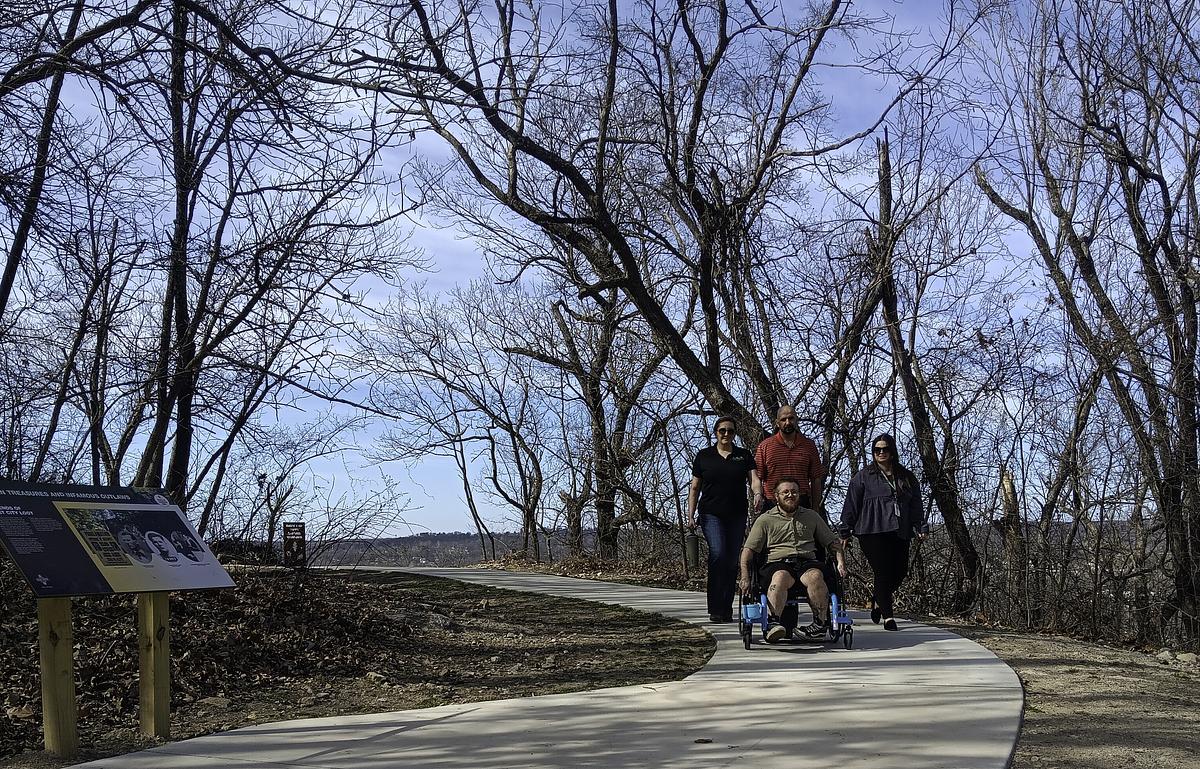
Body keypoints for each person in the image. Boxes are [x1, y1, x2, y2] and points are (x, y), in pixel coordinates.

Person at [838, 433, 929, 631]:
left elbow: (915, 504)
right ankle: (888, 617)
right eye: (876, 450)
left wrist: (920, 525)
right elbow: (851, 504)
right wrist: (845, 530)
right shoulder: (863, 476)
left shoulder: (906, 476)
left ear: (892, 451)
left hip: (900, 529)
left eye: (885, 449)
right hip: (871, 530)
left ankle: (879, 598)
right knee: (882, 571)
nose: (880, 453)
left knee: (900, 570)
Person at [737, 478, 846, 642]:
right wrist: (745, 576)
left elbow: (833, 543)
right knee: (780, 576)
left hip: (806, 561)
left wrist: (841, 563)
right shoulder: (765, 519)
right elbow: (748, 551)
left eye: (794, 492)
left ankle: (820, 623)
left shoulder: (811, 516)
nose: (790, 495)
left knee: (816, 576)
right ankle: (773, 623)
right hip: (777, 563)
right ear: (776, 496)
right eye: (785, 492)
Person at [688, 416, 762, 623]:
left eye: (730, 431)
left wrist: (758, 494)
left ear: (734, 433)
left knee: (731, 561)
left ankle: (726, 608)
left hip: (736, 513)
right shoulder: (704, 456)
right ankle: (715, 607)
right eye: (722, 431)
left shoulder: (743, 455)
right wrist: (690, 515)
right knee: (718, 553)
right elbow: (695, 487)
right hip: (710, 513)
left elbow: (754, 479)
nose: (726, 434)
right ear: (716, 433)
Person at [754, 405, 824, 513]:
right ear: (777, 423)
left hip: (801, 503)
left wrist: (815, 507)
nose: (787, 422)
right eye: (783, 419)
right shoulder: (765, 446)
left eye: (791, 418)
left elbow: (816, 478)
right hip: (773, 504)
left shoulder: (809, 445)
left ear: (796, 420)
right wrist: (758, 495)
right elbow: (757, 477)